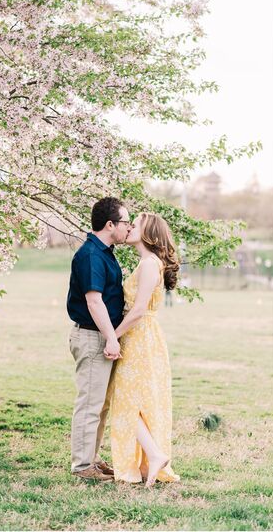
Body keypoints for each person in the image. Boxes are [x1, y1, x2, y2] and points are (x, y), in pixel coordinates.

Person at [109, 212, 181, 487]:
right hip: (140, 336)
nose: (128, 228)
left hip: (140, 337)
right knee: (129, 398)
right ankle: (152, 455)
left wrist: (113, 336)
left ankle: (153, 455)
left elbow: (138, 310)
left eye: (134, 225)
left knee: (129, 398)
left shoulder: (150, 264)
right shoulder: (146, 263)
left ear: (148, 232)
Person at [66, 197, 131, 481]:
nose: (129, 227)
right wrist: (111, 338)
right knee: (90, 404)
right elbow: (94, 302)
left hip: (100, 335)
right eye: (126, 222)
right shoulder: (91, 255)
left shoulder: (106, 251)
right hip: (93, 336)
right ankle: (82, 466)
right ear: (110, 225)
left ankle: (91, 457)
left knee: (100, 405)